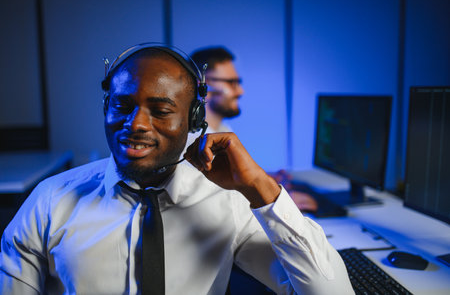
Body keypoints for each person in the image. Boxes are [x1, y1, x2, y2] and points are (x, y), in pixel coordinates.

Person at [0, 44, 353, 294]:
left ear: (194, 120)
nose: (135, 124)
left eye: (161, 110)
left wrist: (262, 188)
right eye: (122, 105)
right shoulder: (49, 202)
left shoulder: (228, 203)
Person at [187, 46, 318, 212]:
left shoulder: (221, 129)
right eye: (231, 83)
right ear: (203, 86)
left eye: (238, 83)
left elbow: (230, 185)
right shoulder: (194, 143)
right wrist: (278, 200)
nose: (240, 91)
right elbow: (220, 209)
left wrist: (264, 178)